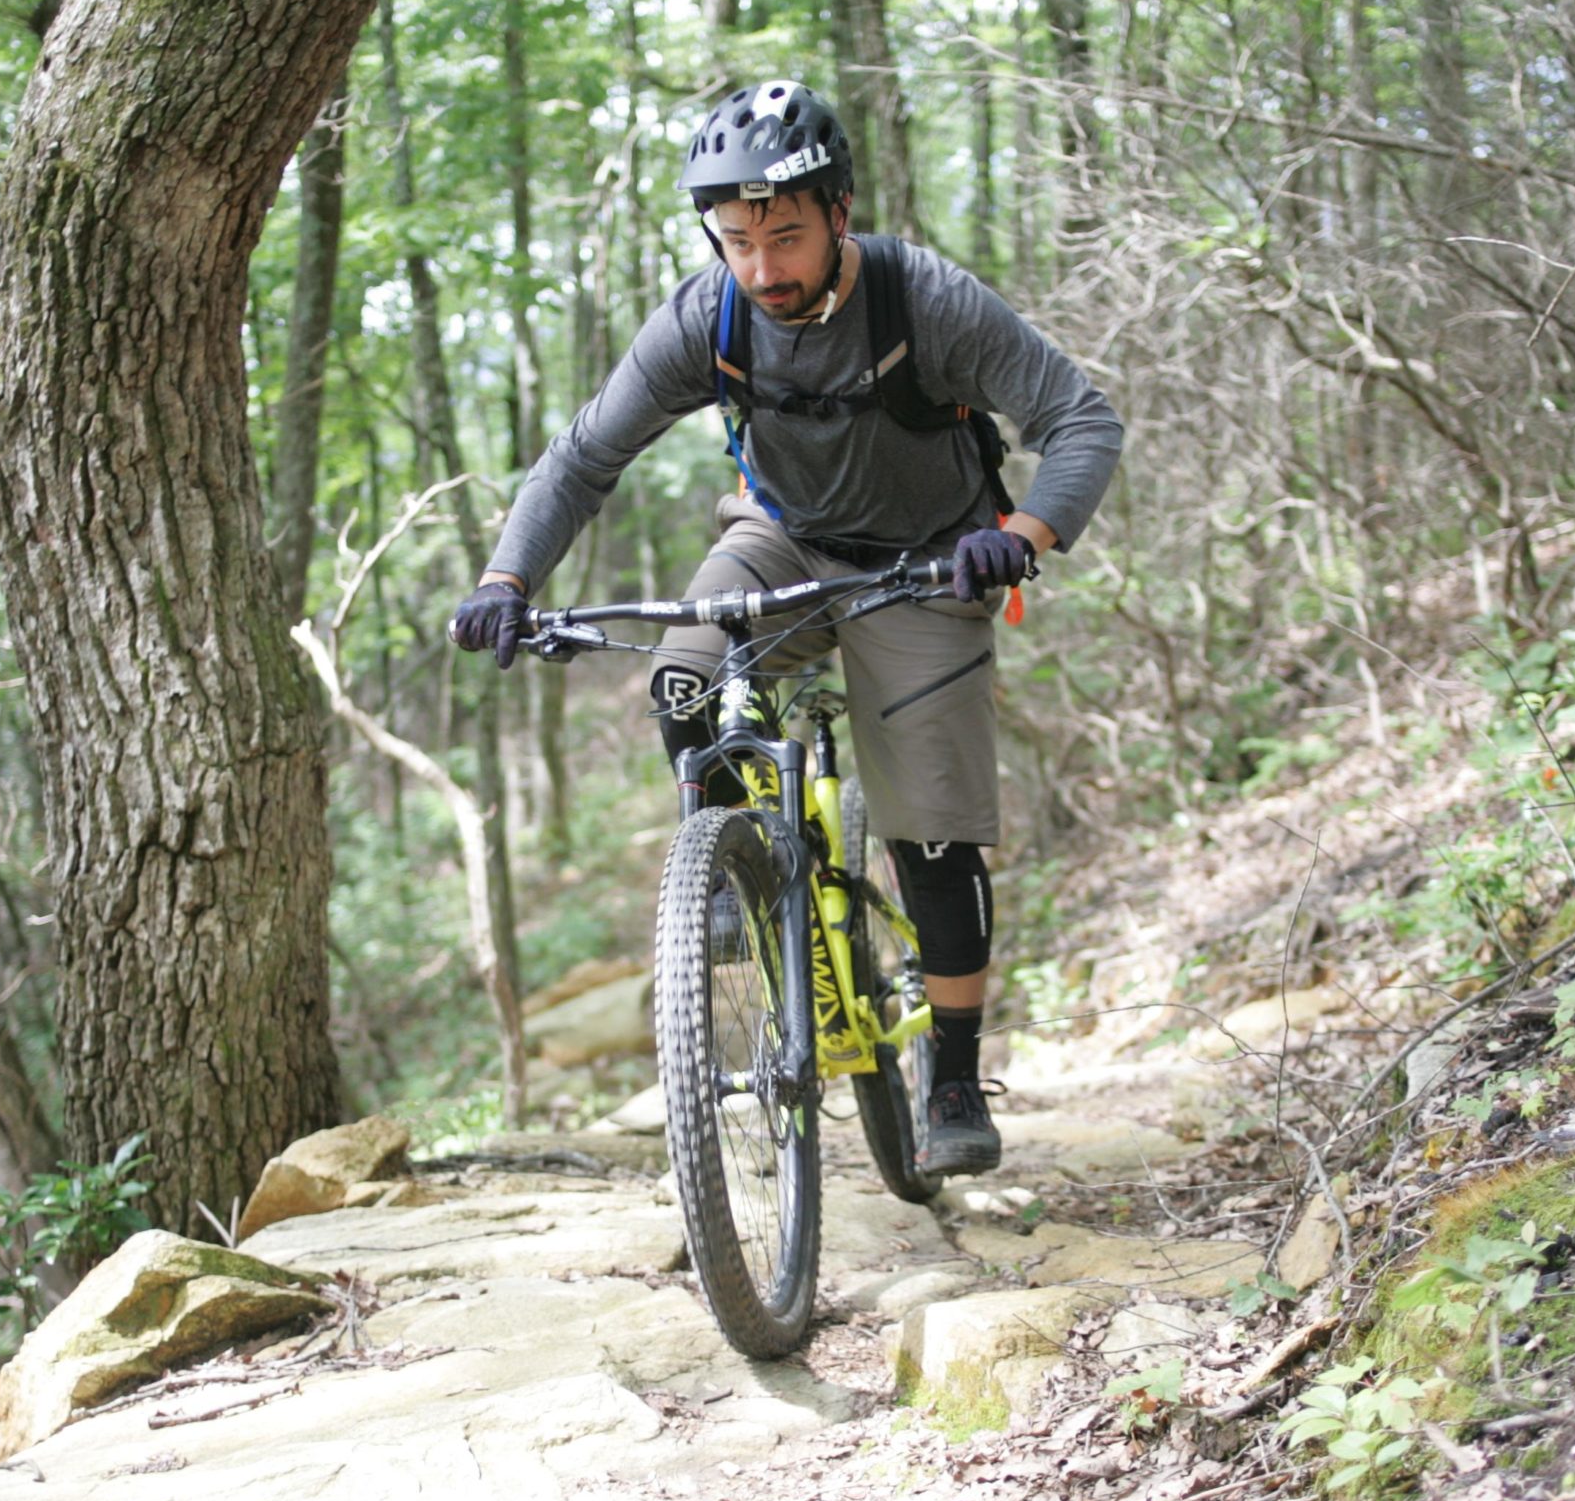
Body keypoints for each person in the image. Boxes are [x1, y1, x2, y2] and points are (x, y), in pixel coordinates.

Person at [450, 80, 1122, 1177]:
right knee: (683, 681)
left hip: (929, 559)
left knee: (933, 830)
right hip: (784, 542)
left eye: (787, 236)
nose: (762, 268)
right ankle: (741, 869)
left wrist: (1028, 530)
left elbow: (1079, 416)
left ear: (841, 214)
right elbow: (583, 458)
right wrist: (505, 576)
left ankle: (951, 1068)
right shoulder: (703, 316)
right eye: (737, 240)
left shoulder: (924, 303)